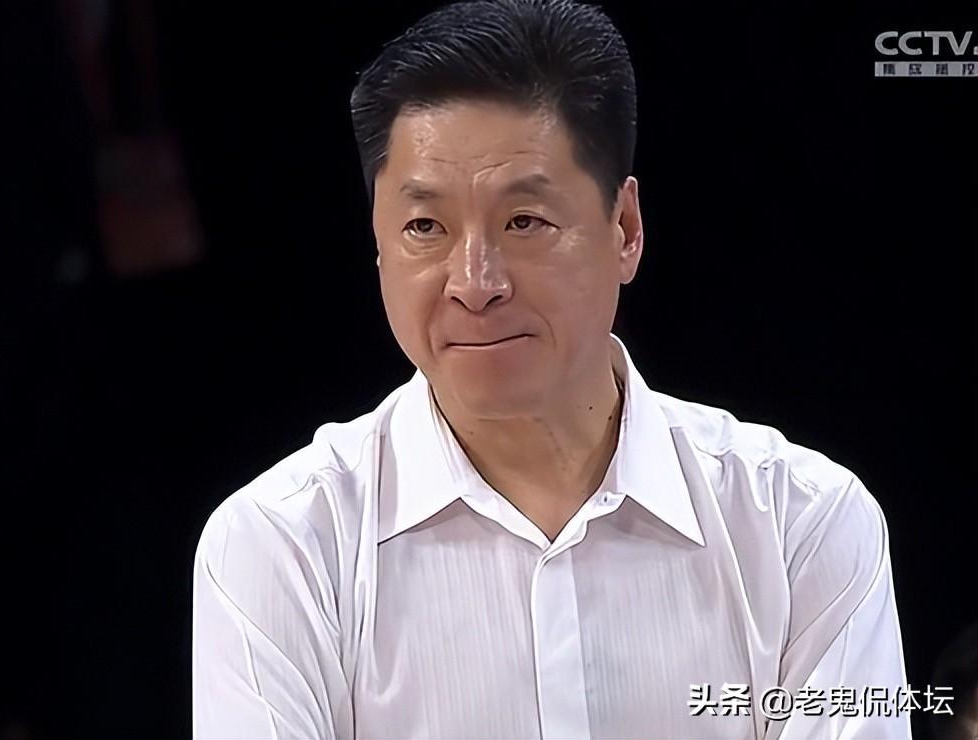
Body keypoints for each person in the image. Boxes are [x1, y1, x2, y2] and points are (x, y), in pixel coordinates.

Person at [191, 1, 909, 737]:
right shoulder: (283, 547)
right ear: (378, 246)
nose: (475, 283)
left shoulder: (802, 525)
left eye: (524, 222)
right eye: (424, 227)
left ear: (625, 229)